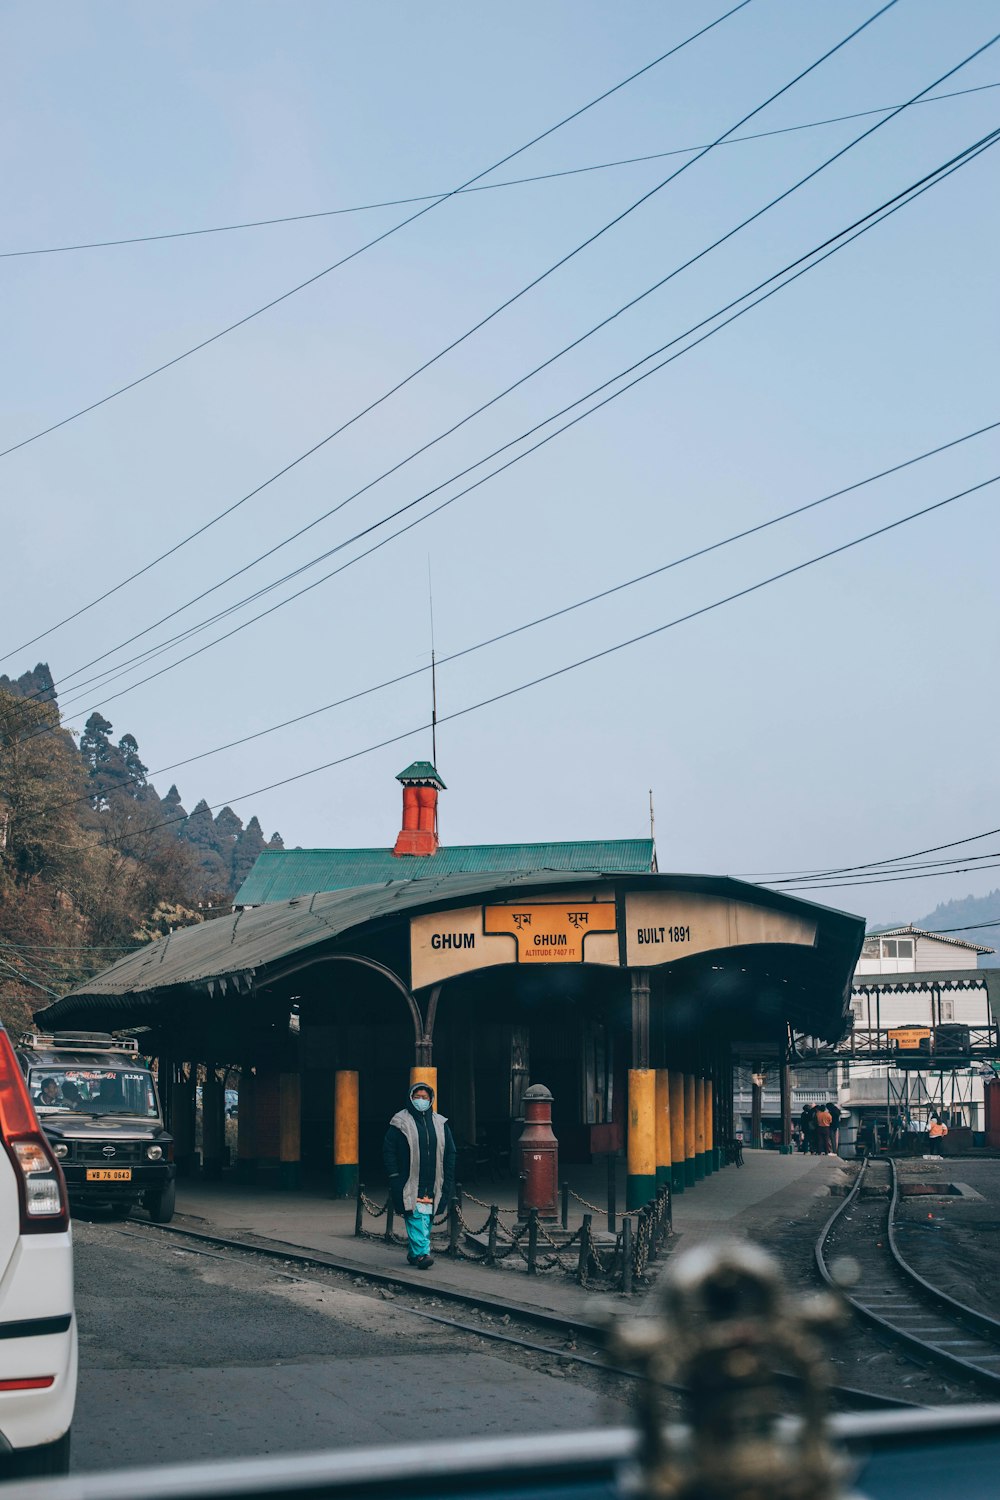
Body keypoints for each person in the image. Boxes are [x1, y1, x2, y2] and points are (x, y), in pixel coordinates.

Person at [382, 1081, 456, 1270]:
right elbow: (388, 1149)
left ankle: (415, 1254)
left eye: (425, 1097)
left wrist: (448, 1176)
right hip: (409, 1180)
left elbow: (450, 1151)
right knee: (415, 1215)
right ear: (410, 1098)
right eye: (417, 1097)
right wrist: (394, 1175)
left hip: (433, 1180)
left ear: (431, 1099)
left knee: (427, 1217)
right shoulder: (400, 1121)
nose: (421, 1100)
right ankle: (423, 1254)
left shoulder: (441, 1123)